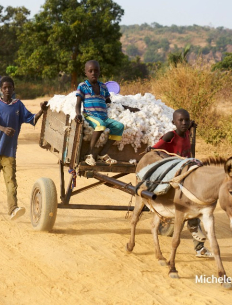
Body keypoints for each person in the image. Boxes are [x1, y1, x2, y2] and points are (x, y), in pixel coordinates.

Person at [150, 108, 213, 258]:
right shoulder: (170, 135)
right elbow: (155, 149)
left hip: (187, 170)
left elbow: (189, 128)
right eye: (181, 121)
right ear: (173, 122)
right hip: (176, 174)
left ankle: (199, 244)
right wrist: (157, 153)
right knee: (190, 205)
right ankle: (199, 247)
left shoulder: (187, 133)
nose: (184, 123)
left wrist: (192, 126)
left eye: (187, 120)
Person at [0, 76, 48, 220]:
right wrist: (3, 129)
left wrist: (41, 111)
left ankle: (13, 208)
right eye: (5, 88)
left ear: (13, 89)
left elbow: (31, 119)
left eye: (10, 87)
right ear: (1, 90)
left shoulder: (18, 105)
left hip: (9, 150)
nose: (7, 90)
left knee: (11, 180)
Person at [75, 60, 135, 166]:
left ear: (99, 72)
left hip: (104, 116)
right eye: (90, 71)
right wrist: (78, 114)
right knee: (100, 125)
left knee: (119, 126)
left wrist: (125, 106)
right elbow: (78, 103)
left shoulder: (103, 86)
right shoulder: (82, 86)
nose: (93, 73)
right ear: (86, 73)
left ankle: (103, 153)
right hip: (90, 115)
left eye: (96, 71)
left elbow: (109, 101)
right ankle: (89, 154)